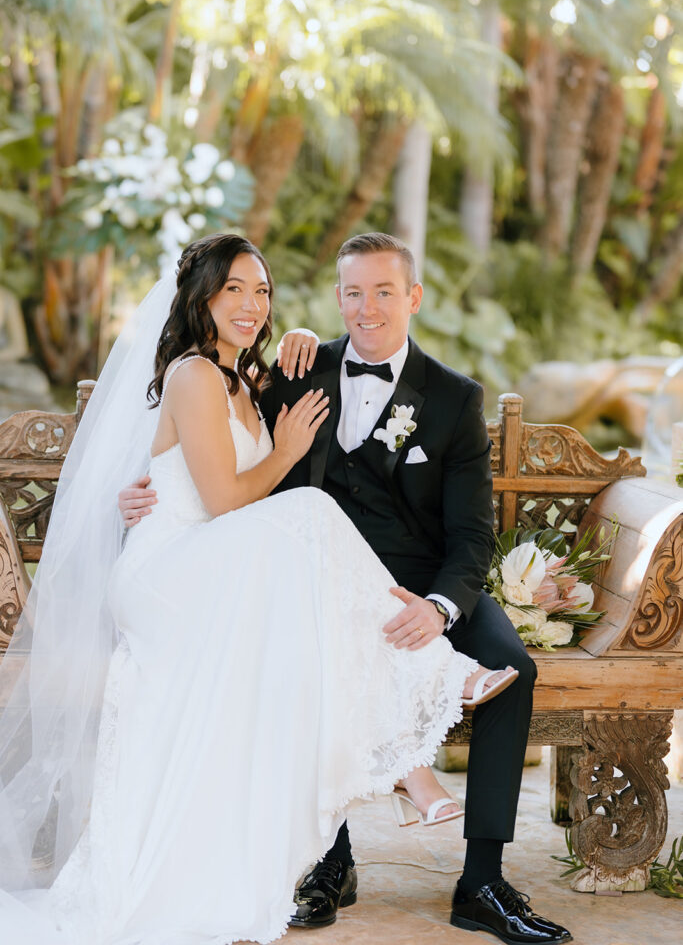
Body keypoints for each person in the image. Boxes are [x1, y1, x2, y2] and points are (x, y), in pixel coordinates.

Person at [0, 233, 518, 945]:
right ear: (201, 299)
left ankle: (435, 806)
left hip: (223, 562)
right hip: (170, 571)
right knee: (307, 516)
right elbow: (219, 501)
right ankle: (419, 732)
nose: (250, 304)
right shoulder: (193, 374)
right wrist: (285, 452)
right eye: (233, 290)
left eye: (262, 291)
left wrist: (297, 339)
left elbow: (465, 530)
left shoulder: (251, 379)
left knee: (302, 603)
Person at [121, 233, 572, 945]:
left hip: (423, 590)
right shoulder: (297, 374)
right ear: (336, 299)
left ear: (413, 298)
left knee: (513, 668)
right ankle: (331, 863)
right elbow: (204, 446)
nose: (367, 309)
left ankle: (481, 881)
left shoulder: (455, 400)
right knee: (308, 646)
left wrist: (441, 607)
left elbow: (472, 538)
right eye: (352, 293)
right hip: (314, 584)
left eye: (383, 292)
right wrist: (146, 497)